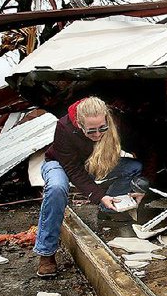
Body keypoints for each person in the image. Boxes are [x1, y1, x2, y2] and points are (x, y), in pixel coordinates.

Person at [34, 96, 144, 278]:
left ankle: (109, 209)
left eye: (102, 129)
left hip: (92, 162)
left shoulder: (116, 121)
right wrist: (98, 195)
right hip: (60, 164)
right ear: (79, 124)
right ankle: (46, 253)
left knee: (134, 167)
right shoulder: (64, 127)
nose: (98, 135)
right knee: (56, 189)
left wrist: (142, 187)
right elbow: (73, 170)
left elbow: (144, 148)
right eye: (91, 131)